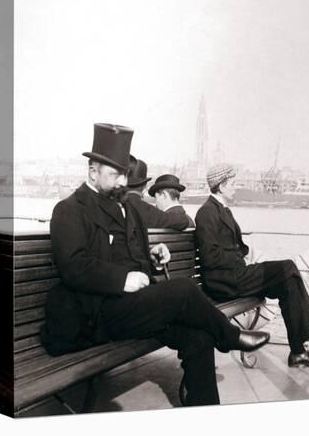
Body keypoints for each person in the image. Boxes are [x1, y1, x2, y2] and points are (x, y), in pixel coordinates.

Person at [41, 124, 270, 407]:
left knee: (198, 336)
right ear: (92, 172)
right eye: (115, 175)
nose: (122, 182)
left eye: (125, 175)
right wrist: (123, 278)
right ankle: (231, 336)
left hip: (132, 307)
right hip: (97, 314)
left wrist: (150, 253)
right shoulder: (69, 210)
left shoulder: (124, 206)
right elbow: (73, 266)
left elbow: (119, 250)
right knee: (184, 289)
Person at [195, 163, 309, 368]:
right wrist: (239, 260)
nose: (236, 186)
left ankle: (298, 352)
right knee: (288, 267)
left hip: (234, 275)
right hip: (225, 281)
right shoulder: (207, 213)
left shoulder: (221, 210)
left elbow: (235, 247)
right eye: (232, 183)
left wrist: (242, 256)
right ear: (221, 186)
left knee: (289, 283)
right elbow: (209, 256)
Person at [126, 156, 191, 230]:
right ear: (144, 186)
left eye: (155, 197)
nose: (156, 203)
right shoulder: (147, 211)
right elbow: (183, 221)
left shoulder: (113, 204)